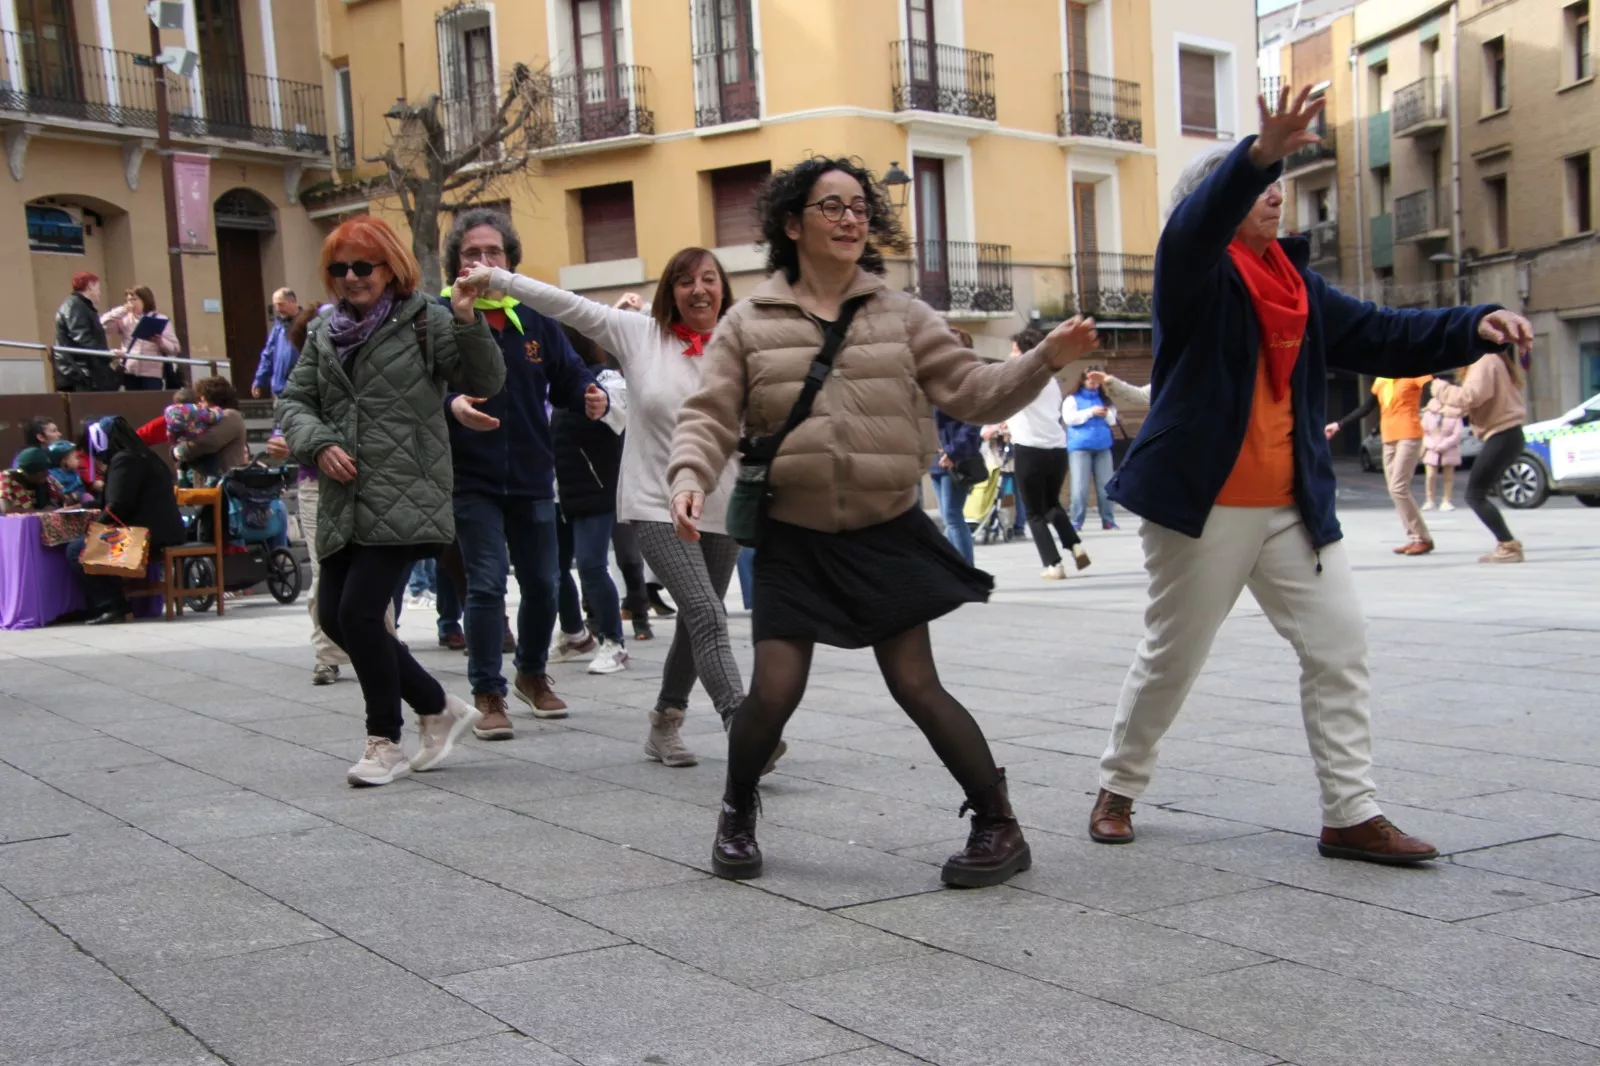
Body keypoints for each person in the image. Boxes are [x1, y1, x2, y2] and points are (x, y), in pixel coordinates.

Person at [1091, 86, 1535, 865]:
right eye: (1259, 184)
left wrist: (1472, 325)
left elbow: (1384, 333)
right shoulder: (1190, 273)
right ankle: (1119, 786)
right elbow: (1194, 226)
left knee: (1339, 647)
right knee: (1174, 655)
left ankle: (1351, 814)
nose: (1274, 193)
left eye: (1277, 183)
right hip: (1206, 503)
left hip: (1291, 506)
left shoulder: (1296, 284)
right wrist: (1257, 151)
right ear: (1220, 198)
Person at [667, 155, 1102, 887]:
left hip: (884, 524)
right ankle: (737, 811)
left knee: (915, 682)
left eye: (860, 207)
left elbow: (973, 392)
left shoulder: (900, 315)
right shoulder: (750, 322)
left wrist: (1045, 360)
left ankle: (1000, 824)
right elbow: (708, 416)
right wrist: (687, 476)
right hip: (792, 532)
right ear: (792, 223)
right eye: (832, 206)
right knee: (775, 687)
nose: (850, 218)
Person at [459, 243, 750, 772]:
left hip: (722, 504)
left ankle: (665, 722)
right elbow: (567, 305)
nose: (699, 290)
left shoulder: (737, 346)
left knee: (696, 621)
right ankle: (745, 726)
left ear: (723, 289)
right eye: (686, 281)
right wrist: (502, 280)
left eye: (709, 279)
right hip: (654, 501)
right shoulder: (638, 335)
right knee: (708, 612)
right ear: (670, 291)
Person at [278, 215, 505, 787]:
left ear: (390, 267)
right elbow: (294, 401)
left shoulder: (427, 317)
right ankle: (436, 704)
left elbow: (486, 376)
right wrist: (318, 441)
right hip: (344, 496)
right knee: (335, 616)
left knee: (357, 613)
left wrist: (466, 318)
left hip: (408, 488)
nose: (351, 277)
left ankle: (385, 741)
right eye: (339, 268)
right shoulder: (327, 331)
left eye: (362, 266)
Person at [439, 209, 608, 742]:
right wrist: (451, 404)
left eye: (493, 253)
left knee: (544, 583)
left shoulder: (533, 316)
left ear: (510, 262)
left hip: (534, 474)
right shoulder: (438, 317)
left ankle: (531, 675)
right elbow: (420, 387)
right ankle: (487, 691)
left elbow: (567, 376)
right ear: (456, 265)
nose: (483, 262)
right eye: (472, 254)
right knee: (486, 583)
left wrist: (589, 393)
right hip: (470, 477)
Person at [551, 323, 631, 676]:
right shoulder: (552, 385)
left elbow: (617, 413)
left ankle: (613, 642)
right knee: (550, 570)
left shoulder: (607, 379)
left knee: (591, 565)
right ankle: (575, 634)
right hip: (556, 490)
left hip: (595, 488)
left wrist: (601, 400)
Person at [64, 417, 184, 624]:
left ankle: (114, 605)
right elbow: (117, 500)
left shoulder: (125, 460)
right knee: (85, 543)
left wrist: (95, 528)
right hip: (164, 531)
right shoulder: (145, 456)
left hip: (147, 537)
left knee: (77, 549)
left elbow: (119, 505)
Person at [1005, 328, 1091, 580]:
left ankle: (1053, 564)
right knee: (1051, 504)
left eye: (1014, 350)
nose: (1010, 355)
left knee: (1034, 512)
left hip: (1030, 449)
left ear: (1024, 352)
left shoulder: (1021, 379)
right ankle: (1075, 545)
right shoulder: (1051, 380)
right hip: (1057, 448)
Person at [1428, 349, 1528, 563]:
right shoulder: (1492, 359)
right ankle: (1507, 545)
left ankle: (1509, 546)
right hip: (1507, 435)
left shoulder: (1484, 360)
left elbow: (1470, 396)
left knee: (1475, 494)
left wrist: (1439, 387)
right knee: (1477, 493)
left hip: (1503, 435)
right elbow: (1479, 401)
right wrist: (1449, 411)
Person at [1327, 375, 1434, 554]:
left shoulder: (1415, 372)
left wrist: (1436, 411)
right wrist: (1339, 424)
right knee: (1395, 490)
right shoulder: (1382, 379)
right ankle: (1416, 537)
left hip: (1409, 434)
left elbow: (1434, 390)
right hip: (1388, 437)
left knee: (1398, 487)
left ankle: (1421, 538)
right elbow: (1367, 408)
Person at [1064, 370, 1119, 531]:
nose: (1093, 383)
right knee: (1080, 487)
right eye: (1090, 380)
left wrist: (1106, 414)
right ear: (1082, 380)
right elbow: (1069, 419)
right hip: (1080, 447)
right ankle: (1076, 520)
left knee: (1106, 486)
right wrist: (1090, 412)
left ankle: (1108, 519)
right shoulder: (1072, 399)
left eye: (1096, 380)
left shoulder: (1105, 399)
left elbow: (1113, 421)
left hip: (1103, 446)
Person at [100, 286, 179, 391]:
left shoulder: (161, 319)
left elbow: (175, 348)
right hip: (129, 372)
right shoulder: (124, 319)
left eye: (134, 299)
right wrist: (121, 311)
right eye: (128, 300)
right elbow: (103, 326)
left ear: (145, 300)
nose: (130, 303)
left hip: (152, 374)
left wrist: (161, 342)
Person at [172, 377, 249, 484]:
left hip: (224, 484)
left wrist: (179, 450)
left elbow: (208, 442)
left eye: (202, 400)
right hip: (204, 484)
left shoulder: (230, 416)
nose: (199, 404)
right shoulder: (204, 417)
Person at [53, 272, 119, 392]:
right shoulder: (75, 305)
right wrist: (107, 354)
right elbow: (82, 337)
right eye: (98, 288)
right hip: (81, 373)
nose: (100, 293)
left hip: (83, 371)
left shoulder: (78, 305)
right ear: (90, 286)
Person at [253, 289, 303, 399]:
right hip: (280, 390)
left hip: (301, 389)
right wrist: (259, 380)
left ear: (293, 301)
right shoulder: (278, 328)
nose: (278, 309)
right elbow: (267, 355)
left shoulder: (306, 323)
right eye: (275, 305)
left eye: (281, 304)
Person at [1420, 394, 1463, 512]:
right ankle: (1430, 500)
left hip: (1449, 448)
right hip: (1431, 448)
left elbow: (1457, 433)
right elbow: (1423, 432)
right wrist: (1431, 444)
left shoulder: (1454, 412)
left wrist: (1444, 444)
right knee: (1430, 476)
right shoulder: (1428, 413)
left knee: (1448, 476)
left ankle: (1446, 500)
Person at [1, 447, 66, 514]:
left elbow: (65, 498)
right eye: (43, 471)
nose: (47, 473)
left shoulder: (47, 479)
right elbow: (6, 510)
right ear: (29, 473)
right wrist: (43, 512)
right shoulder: (6, 478)